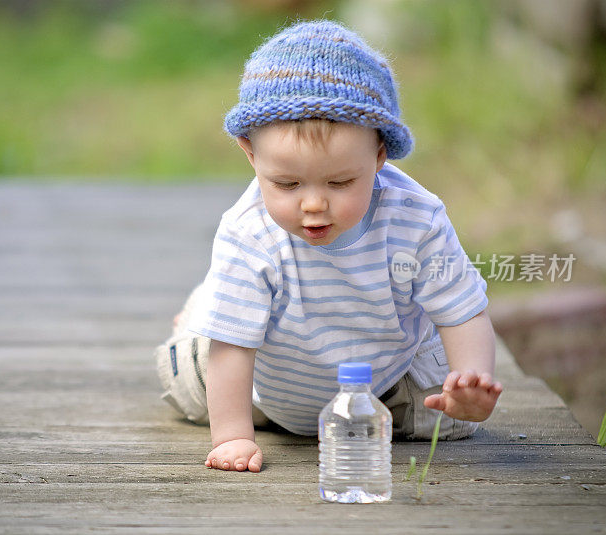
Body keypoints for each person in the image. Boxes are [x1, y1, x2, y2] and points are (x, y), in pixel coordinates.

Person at [155, 19, 503, 473]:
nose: (314, 204)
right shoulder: (248, 232)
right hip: (263, 380)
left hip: (380, 382)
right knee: (198, 377)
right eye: (287, 183)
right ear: (250, 154)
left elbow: (462, 309)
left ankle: (218, 307)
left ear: (379, 156)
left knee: (447, 417)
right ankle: (207, 310)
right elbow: (234, 350)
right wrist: (234, 435)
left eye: (341, 182)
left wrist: (472, 378)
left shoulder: (416, 218)